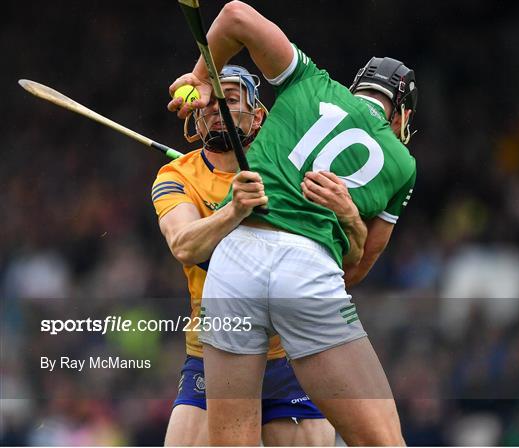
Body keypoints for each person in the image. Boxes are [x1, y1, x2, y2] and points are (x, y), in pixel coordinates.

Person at [167, 2, 418, 446]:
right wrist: (350, 223)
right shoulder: (402, 164)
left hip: (233, 262)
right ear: (402, 116)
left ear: (354, 87)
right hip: (307, 269)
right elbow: (354, 272)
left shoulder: (311, 81)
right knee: (383, 441)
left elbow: (236, 14)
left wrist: (202, 80)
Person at [154, 64, 365, 446]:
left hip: (291, 354)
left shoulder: (293, 169)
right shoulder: (176, 175)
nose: (217, 108)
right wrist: (234, 210)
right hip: (213, 354)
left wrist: (349, 216)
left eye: (230, 99)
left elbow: (352, 259)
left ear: (258, 112)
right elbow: (184, 244)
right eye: (209, 103)